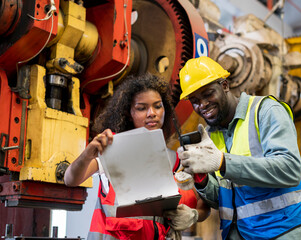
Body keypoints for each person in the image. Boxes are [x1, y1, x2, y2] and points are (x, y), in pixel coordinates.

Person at [175, 56, 301, 240]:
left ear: (224, 85)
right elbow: (225, 200)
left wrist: (223, 162)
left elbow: (289, 169)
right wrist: (201, 179)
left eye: (208, 93)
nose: (202, 105)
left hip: (283, 232)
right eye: (194, 100)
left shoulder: (265, 111)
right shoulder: (210, 135)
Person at [64, 73, 209, 240]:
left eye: (157, 106)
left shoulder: (177, 161)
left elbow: (204, 205)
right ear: (129, 113)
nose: (152, 113)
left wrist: (193, 215)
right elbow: (70, 179)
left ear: (165, 109)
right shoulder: (114, 151)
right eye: (142, 108)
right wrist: (87, 154)